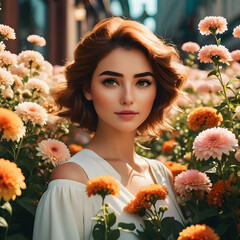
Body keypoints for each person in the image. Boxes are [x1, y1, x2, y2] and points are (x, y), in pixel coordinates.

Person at [33, 17, 186, 240]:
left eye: (142, 82)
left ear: (157, 90)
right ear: (87, 89)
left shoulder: (162, 175)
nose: (128, 98)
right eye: (111, 81)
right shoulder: (71, 182)